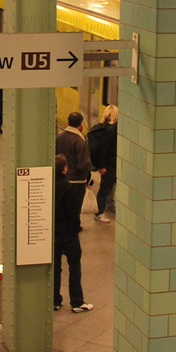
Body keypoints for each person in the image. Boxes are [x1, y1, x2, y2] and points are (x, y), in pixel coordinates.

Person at [53, 154, 91, 312]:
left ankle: (54, 300)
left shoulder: (49, 185)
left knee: (55, 267)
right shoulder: (68, 187)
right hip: (68, 233)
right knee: (74, 266)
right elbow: (73, 212)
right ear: (64, 169)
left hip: (53, 232)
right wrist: (76, 227)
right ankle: (77, 301)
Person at [55, 111, 91, 226]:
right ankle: (75, 225)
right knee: (75, 206)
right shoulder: (80, 141)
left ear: (67, 123)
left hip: (62, 177)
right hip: (77, 181)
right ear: (80, 126)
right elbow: (82, 165)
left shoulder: (59, 136)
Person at [88, 104, 118, 221]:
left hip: (109, 164)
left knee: (109, 187)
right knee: (105, 189)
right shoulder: (111, 130)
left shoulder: (104, 128)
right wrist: (101, 166)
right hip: (109, 165)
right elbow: (103, 150)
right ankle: (99, 212)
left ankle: (109, 206)